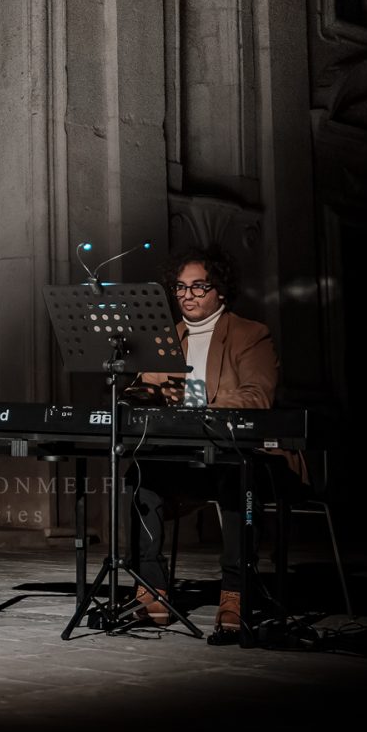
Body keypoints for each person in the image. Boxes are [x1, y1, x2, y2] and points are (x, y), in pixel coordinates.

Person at [127, 245, 280, 635]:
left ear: (220, 291)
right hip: (186, 459)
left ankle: (235, 593)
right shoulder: (166, 339)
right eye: (180, 288)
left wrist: (200, 408)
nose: (187, 296)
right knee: (140, 474)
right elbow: (145, 389)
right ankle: (152, 590)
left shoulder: (249, 334)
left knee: (235, 475)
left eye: (198, 287)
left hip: (240, 457)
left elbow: (257, 397)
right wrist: (143, 395)